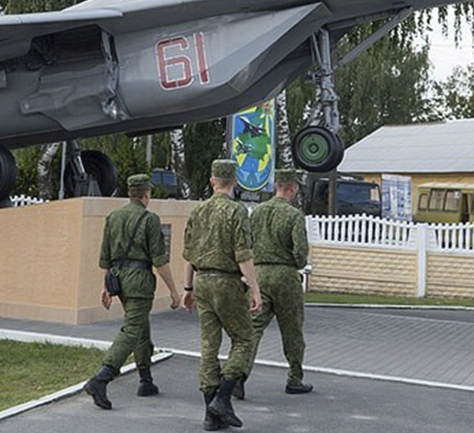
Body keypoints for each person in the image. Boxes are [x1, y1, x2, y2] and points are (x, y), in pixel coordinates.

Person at [84, 173, 181, 410]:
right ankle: (101, 378)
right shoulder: (150, 220)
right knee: (131, 330)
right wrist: (174, 291)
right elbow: (160, 259)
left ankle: (146, 380)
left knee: (140, 328)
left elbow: (105, 258)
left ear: (130, 194)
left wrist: (106, 287)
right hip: (139, 282)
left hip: (118, 280)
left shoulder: (113, 217)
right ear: (147, 194)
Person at [180, 159, 260, 430]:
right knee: (244, 340)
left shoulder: (198, 212)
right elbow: (244, 255)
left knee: (208, 346)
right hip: (227, 282)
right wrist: (254, 289)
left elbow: (188, 256)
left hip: (202, 281)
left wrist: (187, 288)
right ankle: (223, 398)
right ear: (235, 182)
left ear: (212, 181)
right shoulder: (237, 212)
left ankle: (209, 414)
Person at [243, 168, 312, 398]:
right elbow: (301, 252)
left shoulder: (257, 212)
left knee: (253, 329)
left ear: (276, 187)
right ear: (292, 188)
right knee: (292, 330)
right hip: (285, 276)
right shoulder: (294, 216)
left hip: (259, 275)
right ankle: (294, 378)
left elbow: (247, 244)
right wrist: (296, 263)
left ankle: (239, 375)